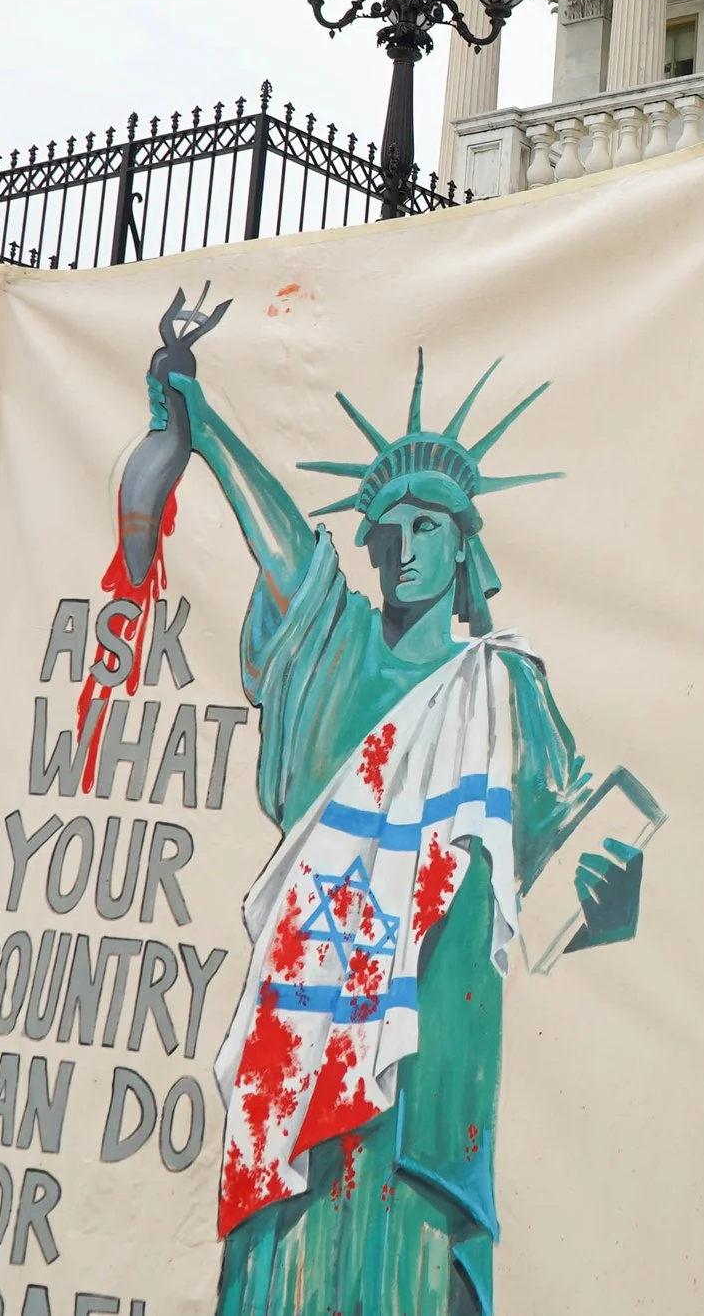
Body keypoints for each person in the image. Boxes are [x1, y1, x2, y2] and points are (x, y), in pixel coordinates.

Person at [120, 298, 655, 1315]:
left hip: (438, 1043)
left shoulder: (505, 689)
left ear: (465, 549)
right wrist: (205, 420)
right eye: (389, 529)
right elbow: (285, 548)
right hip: (310, 1002)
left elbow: (585, 864)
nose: (405, 544)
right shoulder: (338, 652)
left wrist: (611, 899)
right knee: (291, 1247)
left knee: (415, 1259)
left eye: (429, 526)